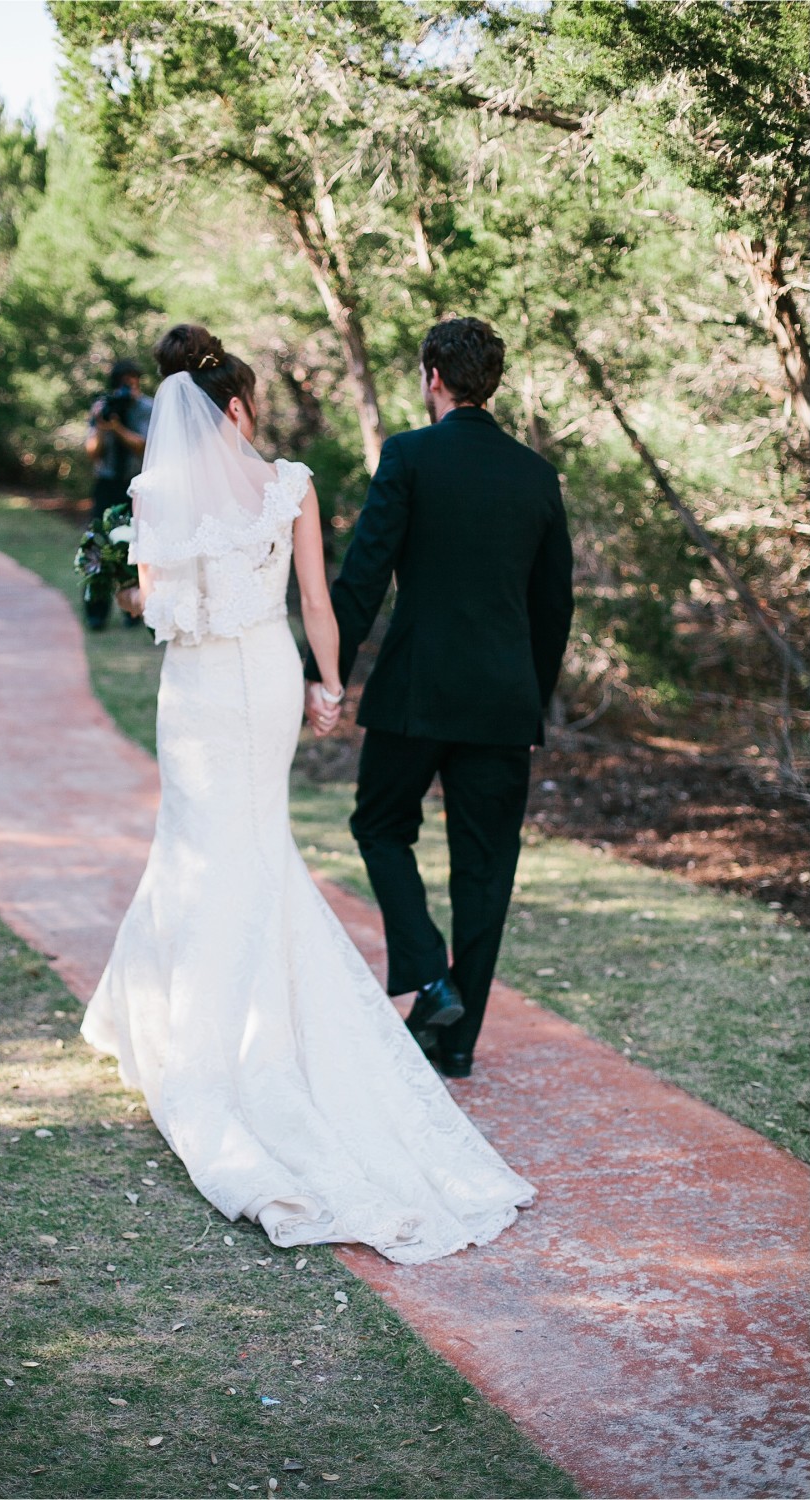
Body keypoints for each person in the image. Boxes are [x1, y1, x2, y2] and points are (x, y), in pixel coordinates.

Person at [80, 323, 535, 1264]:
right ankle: (251, 1021)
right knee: (255, 842)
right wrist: (329, 686)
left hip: (199, 689)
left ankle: (189, 1030)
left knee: (199, 840)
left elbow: (156, 611)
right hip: (267, 681)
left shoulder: (152, 492)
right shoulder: (290, 484)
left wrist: (128, 583)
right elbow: (318, 604)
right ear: (238, 408)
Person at [306, 317, 574, 1080]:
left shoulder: (409, 456)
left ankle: (430, 978)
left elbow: (363, 577)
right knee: (485, 871)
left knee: (379, 823)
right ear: (490, 381)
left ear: (432, 377)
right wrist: (532, 699)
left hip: (416, 692)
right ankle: (456, 1044)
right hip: (502, 706)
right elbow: (555, 608)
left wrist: (321, 671)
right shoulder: (535, 476)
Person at [84, 358, 154, 630]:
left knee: (135, 546)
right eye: (124, 384)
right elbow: (92, 452)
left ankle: (134, 608)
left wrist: (119, 429)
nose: (129, 389)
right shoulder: (103, 408)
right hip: (107, 483)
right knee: (98, 547)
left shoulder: (147, 408)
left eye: (133, 383)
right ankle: (96, 611)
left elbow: (145, 447)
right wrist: (102, 427)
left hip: (137, 484)